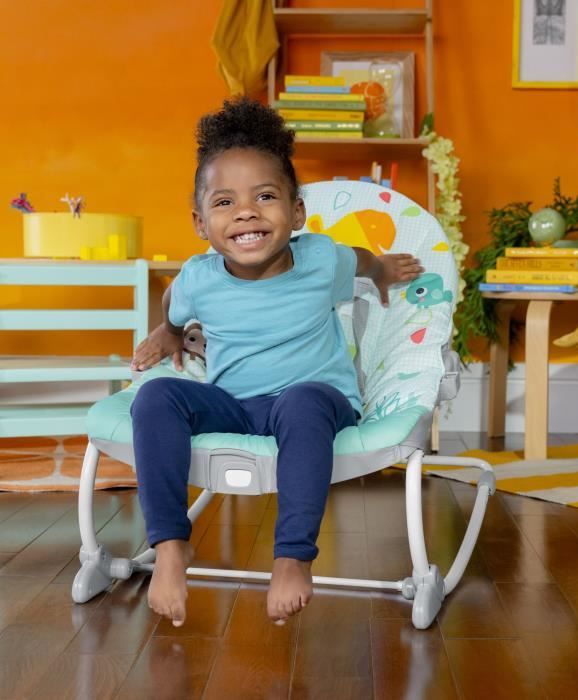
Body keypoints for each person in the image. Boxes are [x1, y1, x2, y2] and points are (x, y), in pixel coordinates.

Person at [129, 96, 423, 627]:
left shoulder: (318, 258)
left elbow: (353, 259)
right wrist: (169, 332)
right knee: (155, 396)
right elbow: (175, 300)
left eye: (265, 196)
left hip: (316, 400)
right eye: (224, 203)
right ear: (200, 222)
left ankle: (292, 555)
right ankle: (171, 545)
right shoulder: (199, 276)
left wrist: (378, 270)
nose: (245, 212)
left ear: (296, 213)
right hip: (234, 405)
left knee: (303, 401)